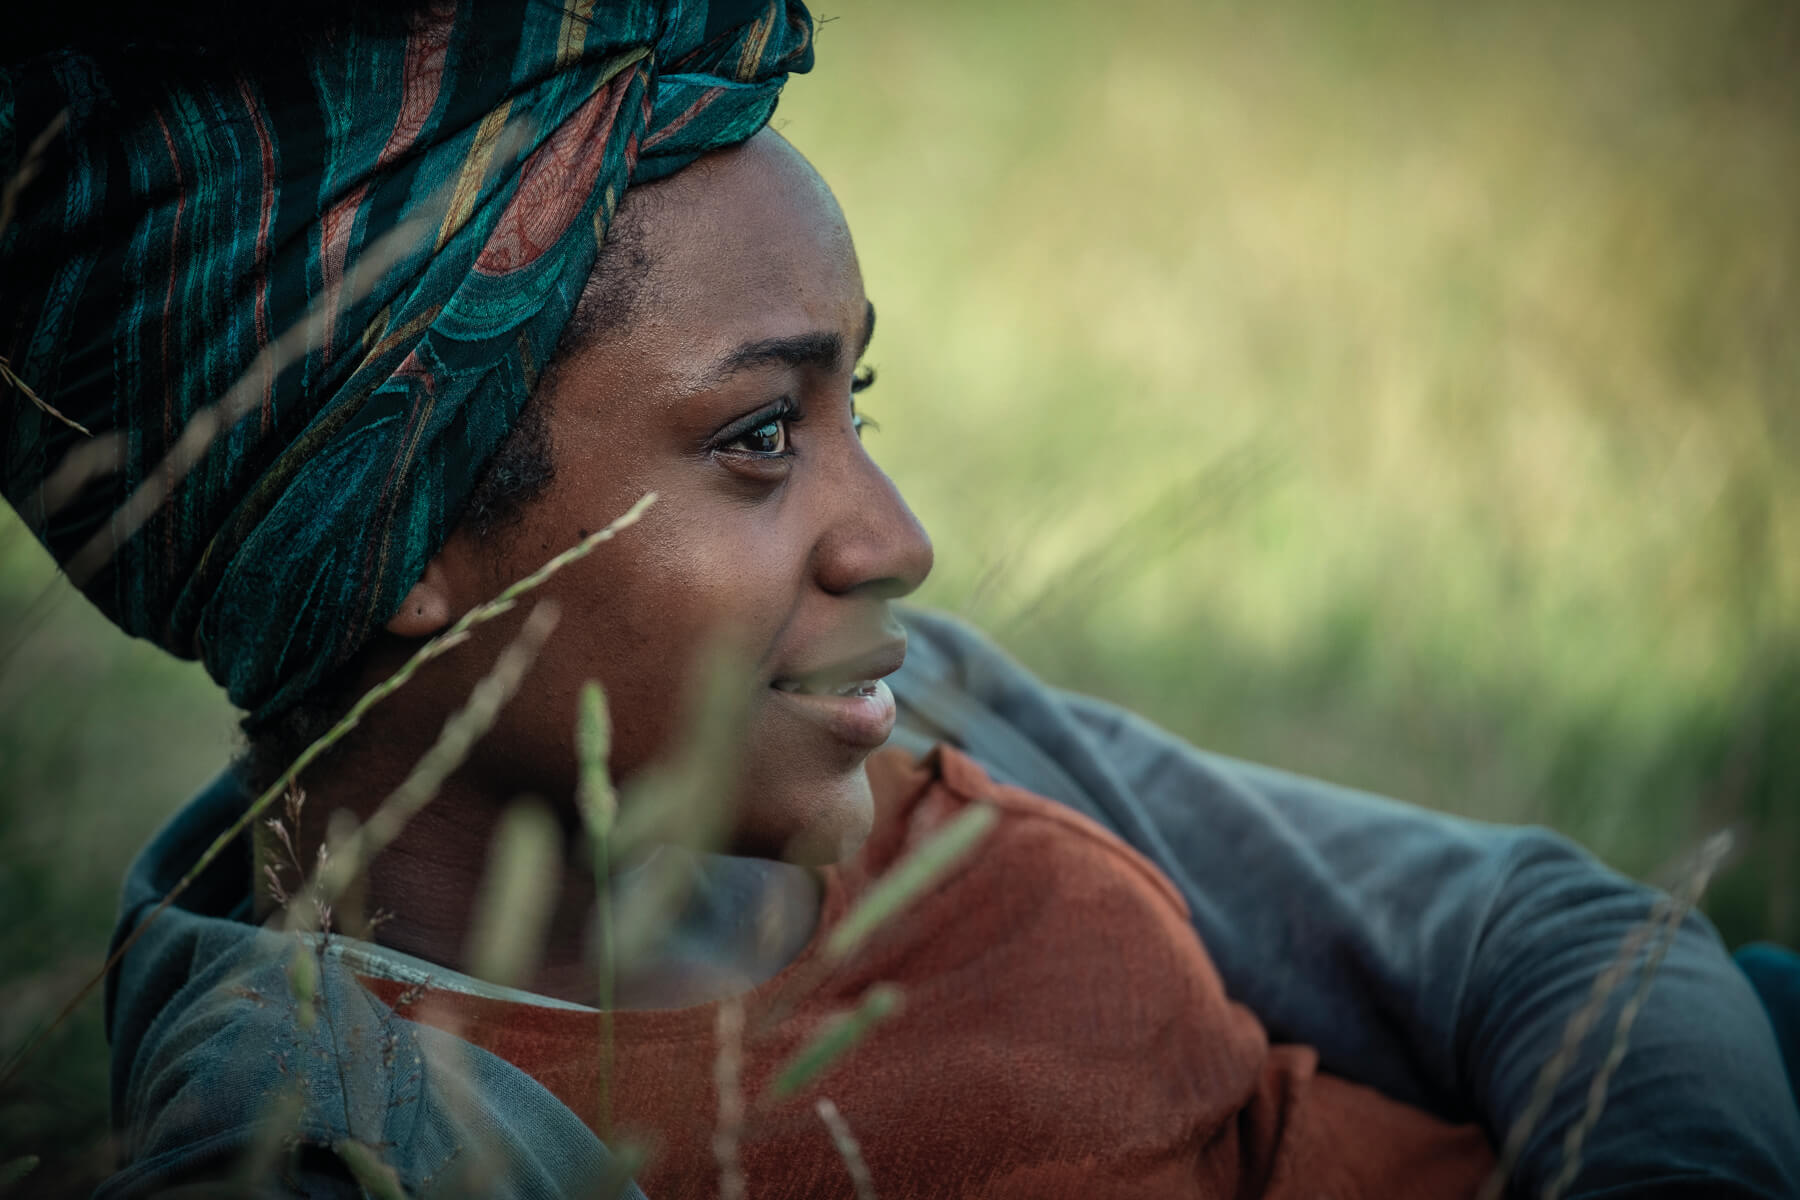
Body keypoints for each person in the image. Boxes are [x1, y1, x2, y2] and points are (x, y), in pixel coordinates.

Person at [2, 2, 1796, 1197]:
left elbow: (1548, 938)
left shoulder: (901, 711)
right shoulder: (338, 1136)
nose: (899, 539)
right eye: (761, 437)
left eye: (865, 402)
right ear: (399, 537)